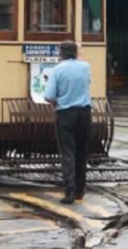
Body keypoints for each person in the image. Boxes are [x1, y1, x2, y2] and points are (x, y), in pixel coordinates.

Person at [44, 40, 93, 204]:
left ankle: (69, 192)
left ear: (61, 53)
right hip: (85, 113)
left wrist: (57, 102)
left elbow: (49, 96)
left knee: (68, 153)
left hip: (65, 114)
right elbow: (87, 84)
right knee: (81, 151)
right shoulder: (86, 67)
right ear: (75, 52)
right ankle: (80, 190)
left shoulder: (57, 69)